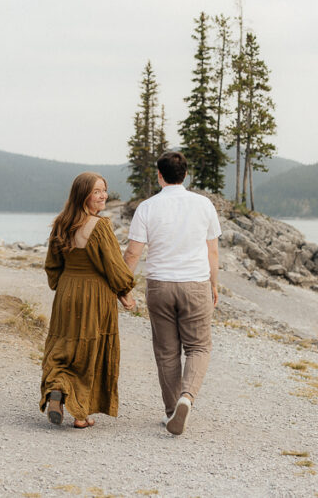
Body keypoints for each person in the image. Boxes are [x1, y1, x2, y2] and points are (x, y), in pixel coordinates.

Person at [123, 151, 221, 435]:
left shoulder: (147, 207)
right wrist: (213, 284)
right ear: (186, 175)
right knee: (198, 346)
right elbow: (212, 250)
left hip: (160, 286)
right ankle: (186, 398)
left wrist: (123, 287)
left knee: (166, 352)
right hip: (195, 283)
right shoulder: (204, 204)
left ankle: (171, 413)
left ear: (159, 175)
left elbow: (132, 253)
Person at [40, 172, 137, 429]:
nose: (103, 195)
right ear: (83, 194)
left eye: (104, 190)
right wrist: (124, 291)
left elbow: (52, 266)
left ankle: (57, 389)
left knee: (63, 346)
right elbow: (114, 266)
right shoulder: (100, 226)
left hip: (67, 292)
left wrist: (62, 286)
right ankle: (80, 414)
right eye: (96, 191)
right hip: (95, 294)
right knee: (88, 350)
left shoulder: (61, 224)